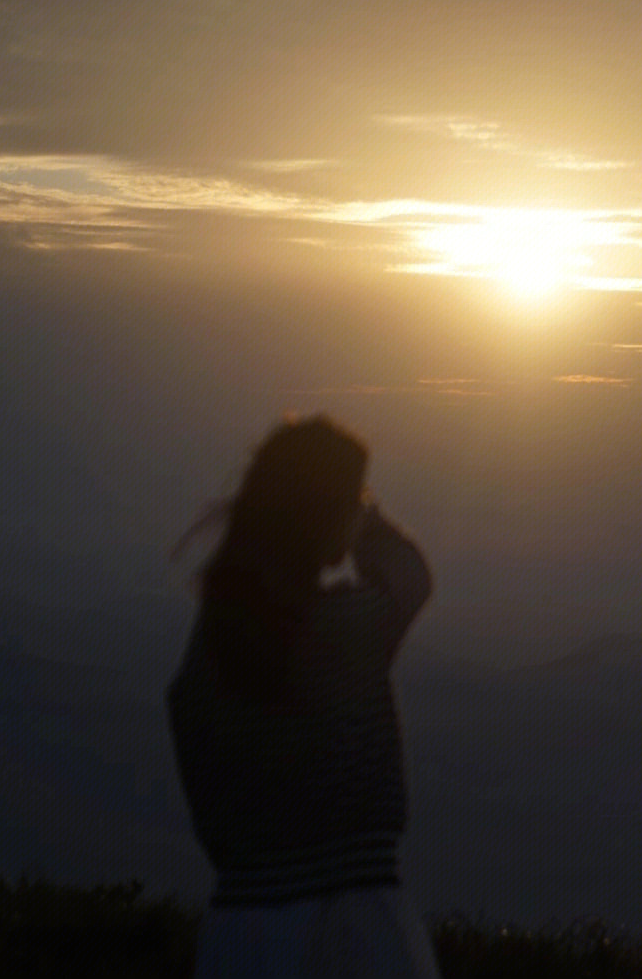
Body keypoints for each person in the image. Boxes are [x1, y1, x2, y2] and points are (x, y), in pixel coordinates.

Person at [165, 414, 440, 978]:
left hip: (242, 934)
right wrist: (367, 523)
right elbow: (410, 578)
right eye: (353, 496)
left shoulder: (215, 647)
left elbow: (188, 726)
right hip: (357, 930)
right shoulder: (347, 629)